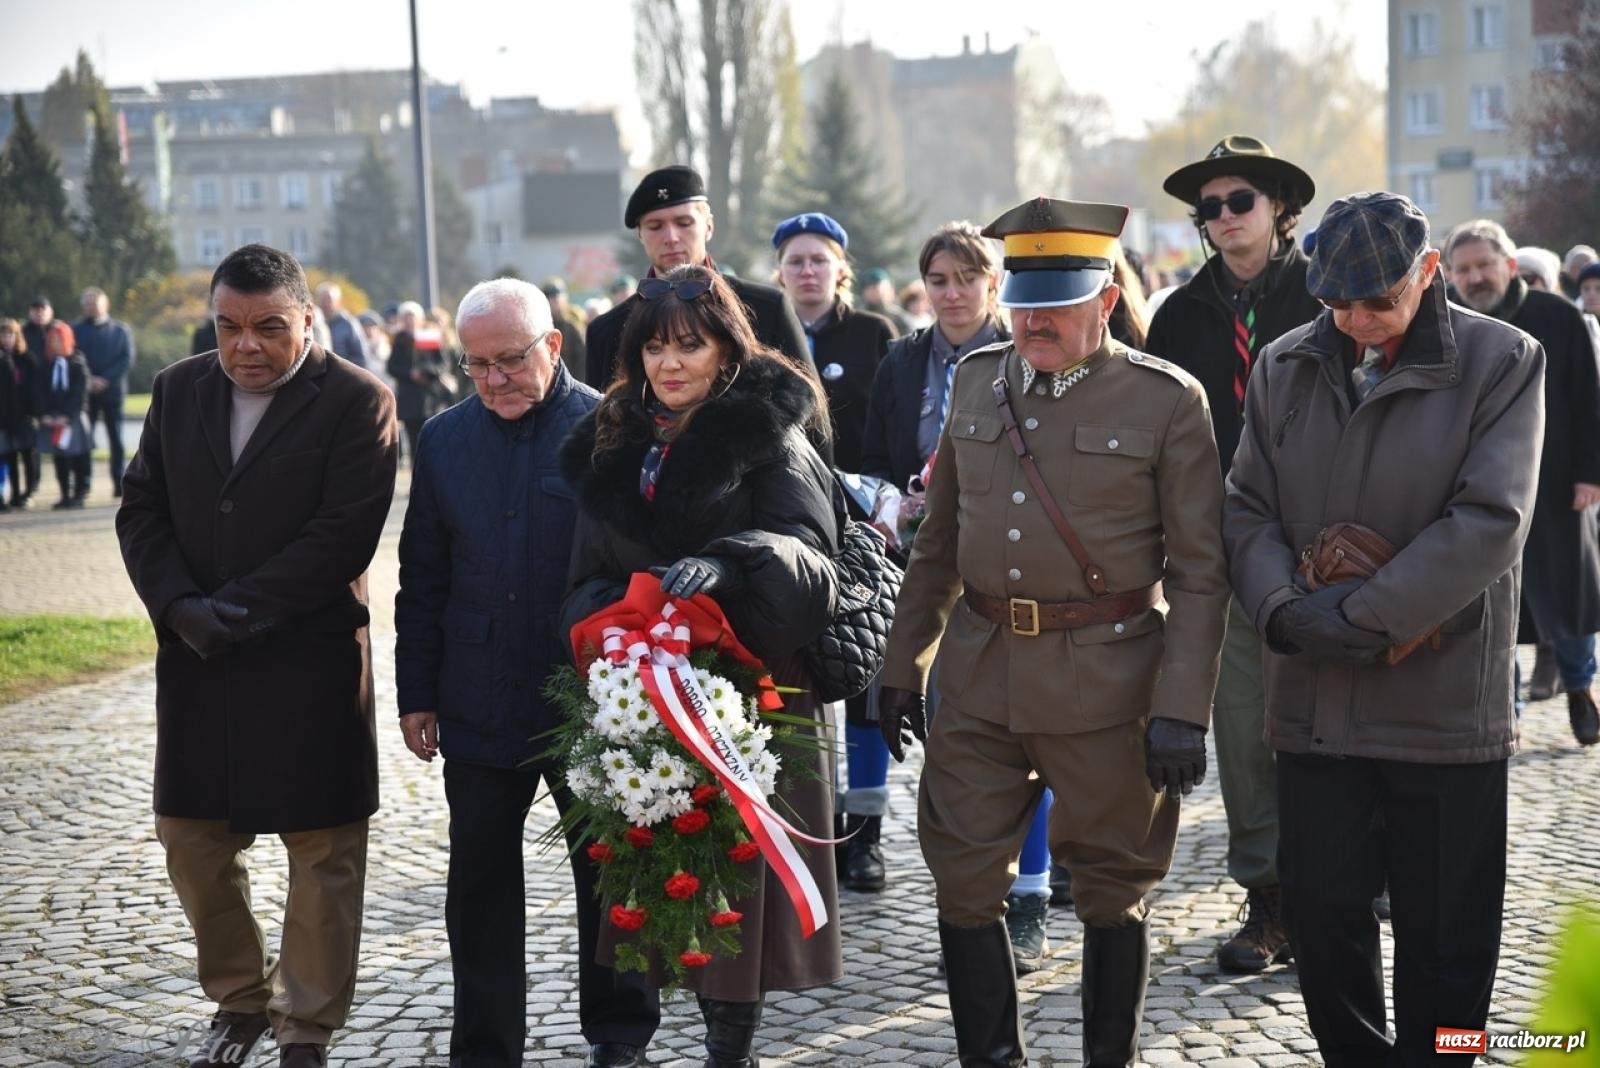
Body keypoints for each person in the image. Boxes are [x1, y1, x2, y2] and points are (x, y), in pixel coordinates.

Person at [878, 198, 1229, 1067]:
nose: (1033, 322)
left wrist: (1183, 707)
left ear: (1104, 300)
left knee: (1112, 887)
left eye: (1057, 305)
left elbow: (1199, 572)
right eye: (1023, 304)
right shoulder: (977, 379)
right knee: (963, 880)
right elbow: (938, 543)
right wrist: (902, 664)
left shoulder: (1165, 399)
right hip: (979, 672)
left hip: (1107, 682)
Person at [1225, 192, 1544, 1065]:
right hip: (1314, 702)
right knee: (1323, 918)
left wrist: (1360, 617)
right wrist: (1281, 609)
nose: (1357, 322)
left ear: (1428, 272)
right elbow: (1246, 507)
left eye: (1379, 301)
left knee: (1446, 940)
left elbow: (1491, 521)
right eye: (1338, 302)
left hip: (1442, 707)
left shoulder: (1504, 358)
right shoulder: (1285, 363)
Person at [116, 243, 398, 1068]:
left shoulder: (358, 400)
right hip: (199, 661)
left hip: (308, 663)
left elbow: (342, 534)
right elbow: (141, 509)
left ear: (307, 319)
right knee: (191, 840)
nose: (246, 345)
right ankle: (240, 999)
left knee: (323, 852)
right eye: (228, 326)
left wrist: (234, 612)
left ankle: (306, 1027)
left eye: (269, 327)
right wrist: (179, 608)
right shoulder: (177, 389)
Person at [560, 264, 844, 1068]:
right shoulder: (612, 442)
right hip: (644, 693)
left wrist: (729, 565)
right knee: (666, 872)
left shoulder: (769, 433)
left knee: (740, 889)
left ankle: (731, 1051)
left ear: (727, 350)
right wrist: (618, 631)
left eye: (689, 345)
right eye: (654, 348)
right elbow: (583, 578)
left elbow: (811, 558)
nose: (670, 363)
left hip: (752, 693)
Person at [393, 278, 655, 1067]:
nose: (494, 378)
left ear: (553, 346)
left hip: (593, 696)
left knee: (609, 873)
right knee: (479, 889)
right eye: (477, 365)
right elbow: (422, 577)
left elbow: (644, 567)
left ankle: (620, 1032)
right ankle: (485, 1049)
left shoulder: (612, 430)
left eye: (510, 359)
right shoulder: (443, 439)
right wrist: (416, 693)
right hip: (478, 694)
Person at [1144, 135, 1322, 973]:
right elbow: (1158, 439)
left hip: (1327, 542)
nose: (1222, 216)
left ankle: (1350, 886)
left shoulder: (1330, 295)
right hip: (1222, 544)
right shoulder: (1179, 315)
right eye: (1209, 206)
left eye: (1239, 200)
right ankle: (1272, 899)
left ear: (1280, 208)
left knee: (1341, 721)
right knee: (1246, 729)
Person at [770, 211, 898, 893]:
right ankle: (806, 829)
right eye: (796, 261)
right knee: (797, 685)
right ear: (780, 272)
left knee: (866, 686)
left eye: (819, 259)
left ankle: (865, 837)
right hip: (790, 535)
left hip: (862, 534)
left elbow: (889, 429)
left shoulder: (874, 334)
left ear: (840, 268)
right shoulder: (763, 333)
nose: (808, 271)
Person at [1444, 219, 1600, 746]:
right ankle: (1502, 708)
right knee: (1491, 599)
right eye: (1463, 269)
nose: (1475, 277)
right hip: (1477, 484)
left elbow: (1588, 398)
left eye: (1484, 265)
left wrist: (1590, 474)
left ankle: (1579, 689)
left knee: (1569, 594)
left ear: (1510, 265)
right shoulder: (1442, 321)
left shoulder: (1557, 316)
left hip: (1556, 480)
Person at [583, 165, 813, 391]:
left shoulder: (767, 308)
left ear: (708, 226)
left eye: (684, 223)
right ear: (640, 234)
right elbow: (601, 413)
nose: (671, 237)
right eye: (655, 226)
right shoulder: (607, 331)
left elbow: (810, 405)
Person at [75, 286, 136, 498]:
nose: (90, 307)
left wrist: (105, 380)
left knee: (116, 439)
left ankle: (119, 483)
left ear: (105, 304)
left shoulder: (121, 330)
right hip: (85, 394)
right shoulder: (76, 329)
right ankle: (83, 484)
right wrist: (89, 379)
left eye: (94, 303)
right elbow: (73, 356)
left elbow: (126, 359)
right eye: (87, 303)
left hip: (113, 392)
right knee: (84, 440)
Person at [387, 301, 453, 466]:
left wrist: (427, 372)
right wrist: (410, 374)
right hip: (409, 398)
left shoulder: (429, 336)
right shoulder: (400, 340)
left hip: (430, 397)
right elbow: (392, 367)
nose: (410, 321)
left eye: (413, 317)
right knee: (413, 442)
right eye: (406, 317)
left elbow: (443, 364)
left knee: (432, 438)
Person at [35, 322, 91, 509]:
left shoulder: (77, 363)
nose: (55, 344)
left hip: (72, 418)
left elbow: (79, 393)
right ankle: (65, 494)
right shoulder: (45, 365)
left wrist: (67, 416)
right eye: (52, 340)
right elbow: (38, 392)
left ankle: (79, 493)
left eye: (59, 340)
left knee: (77, 456)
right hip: (52, 418)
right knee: (60, 458)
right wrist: (44, 414)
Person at [1, 317, 40, 509]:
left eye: (10, 334)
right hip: (5, 416)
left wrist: (35, 412)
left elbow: (34, 388)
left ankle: (29, 491)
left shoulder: (27, 359)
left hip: (25, 416)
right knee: (9, 456)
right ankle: (14, 494)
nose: (6, 338)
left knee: (28, 456)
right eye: (3, 335)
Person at [541, 276, 590, 380]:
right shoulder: (539, 327)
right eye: (551, 296)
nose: (556, 299)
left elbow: (583, 360)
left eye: (558, 295)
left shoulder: (572, 326)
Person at [315, 282, 371, 369]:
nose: (325, 303)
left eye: (328, 300)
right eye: (322, 299)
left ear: (338, 301)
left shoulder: (348, 324)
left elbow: (361, 356)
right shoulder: (313, 322)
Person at [859, 267, 912, 334]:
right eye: (870, 288)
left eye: (876, 288)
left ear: (890, 290)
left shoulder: (898, 317)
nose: (874, 292)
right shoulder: (859, 317)